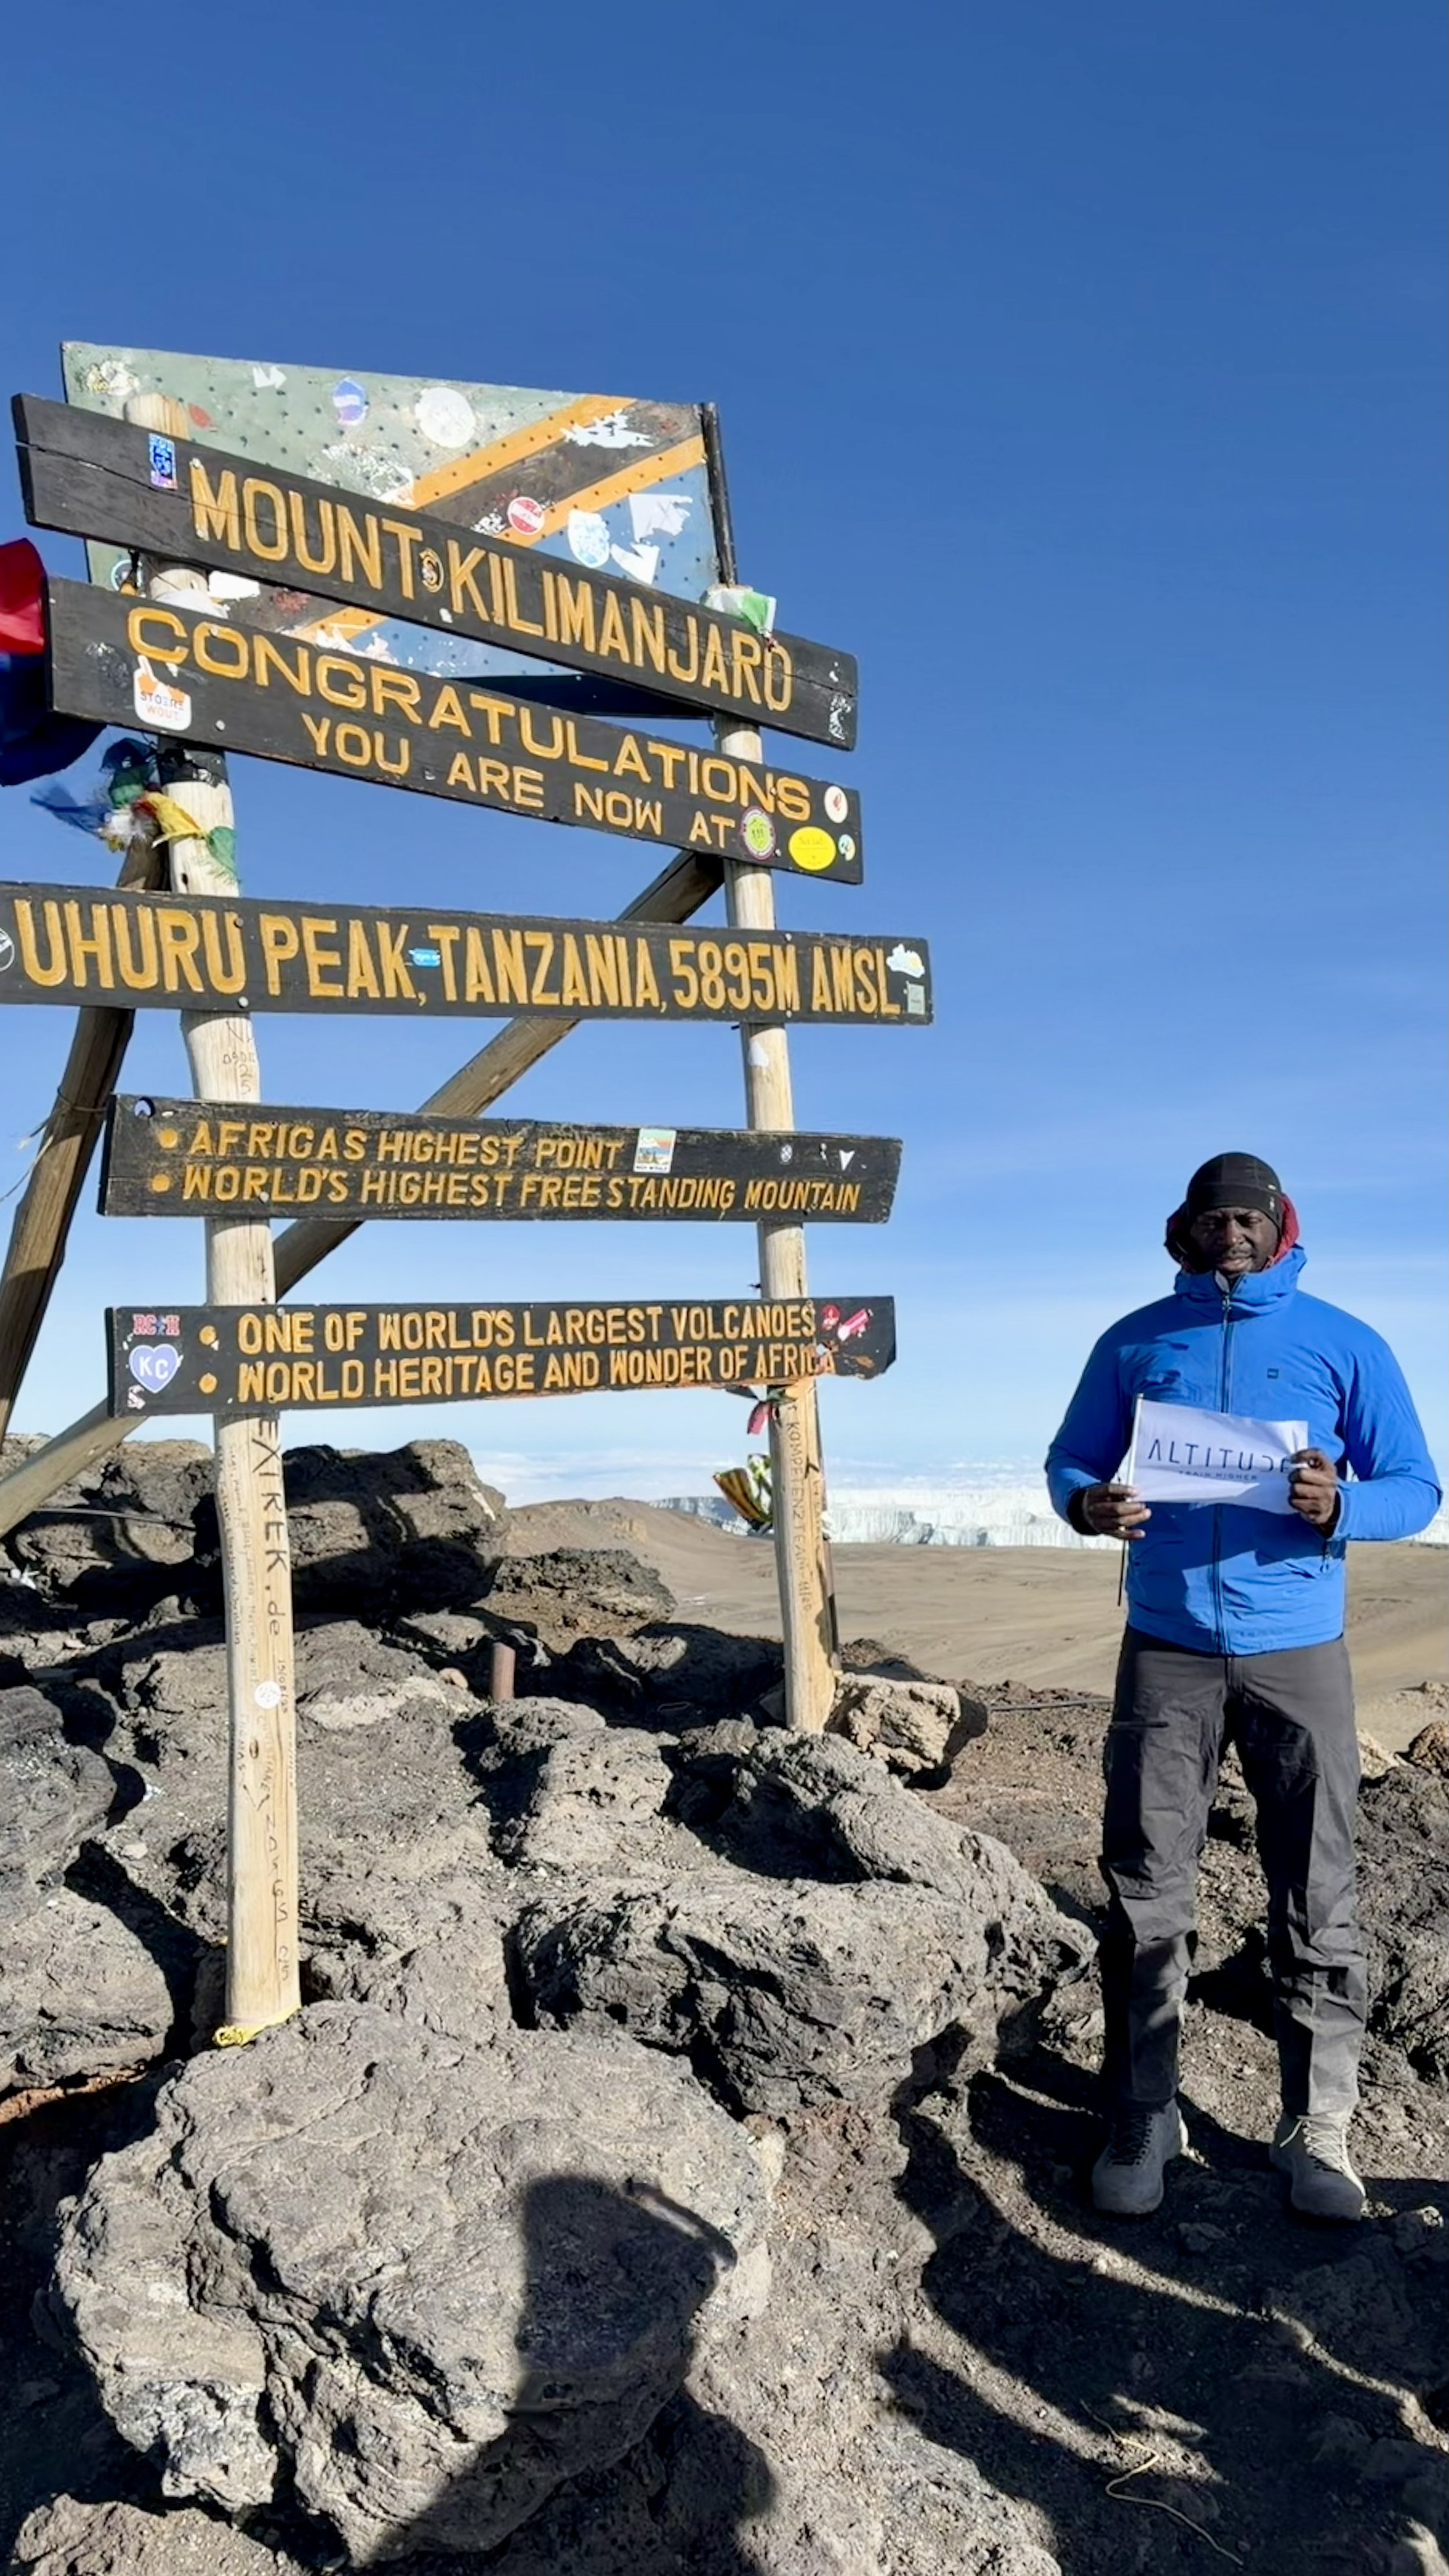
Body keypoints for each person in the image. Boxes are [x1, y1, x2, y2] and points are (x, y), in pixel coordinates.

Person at [1045, 1153, 1441, 2221]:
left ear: (1281, 1228)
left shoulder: (1346, 1342)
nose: (1232, 1233)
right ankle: (1144, 2112)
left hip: (1299, 1649)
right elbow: (1070, 1459)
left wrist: (1339, 1505)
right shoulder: (1134, 1339)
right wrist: (1088, 1506)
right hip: (1166, 1646)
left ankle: (1318, 2126)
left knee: (1317, 1891)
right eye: (1214, 1218)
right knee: (1144, 1885)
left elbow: (1418, 1485)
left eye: (1250, 1218)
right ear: (1185, 1230)